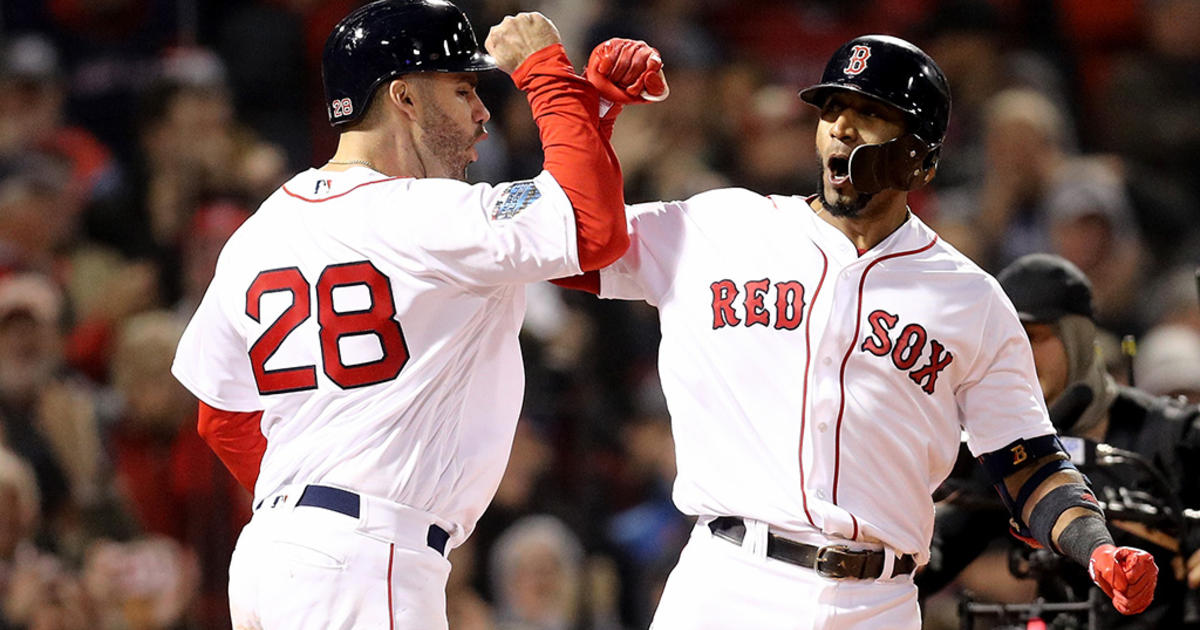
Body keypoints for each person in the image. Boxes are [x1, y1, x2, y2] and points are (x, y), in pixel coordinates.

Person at [555, 34, 1158, 628]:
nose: (842, 126)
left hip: (878, 603)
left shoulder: (971, 301)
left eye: (870, 113)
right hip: (728, 582)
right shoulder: (719, 225)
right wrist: (592, 117)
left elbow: (1029, 465)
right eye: (833, 109)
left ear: (920, 154)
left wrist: (1096, 547)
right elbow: (563, 249)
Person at [170, 1, 632, 628]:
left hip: (273, 559)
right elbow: (588, 226)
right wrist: (549, 74)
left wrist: (312, 506)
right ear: (405, 98)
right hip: (368, 556)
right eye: (464, 88)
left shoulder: (259, 231)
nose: (482, 112)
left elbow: (221, 417)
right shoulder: (430, 216)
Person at [920, 253, 1200, 629]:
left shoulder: (1172, 433)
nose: (1017, 356)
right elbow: (940, 554)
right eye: (1006, 340)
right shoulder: (1006, 450)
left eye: (1033, 338)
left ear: (1078, 339)